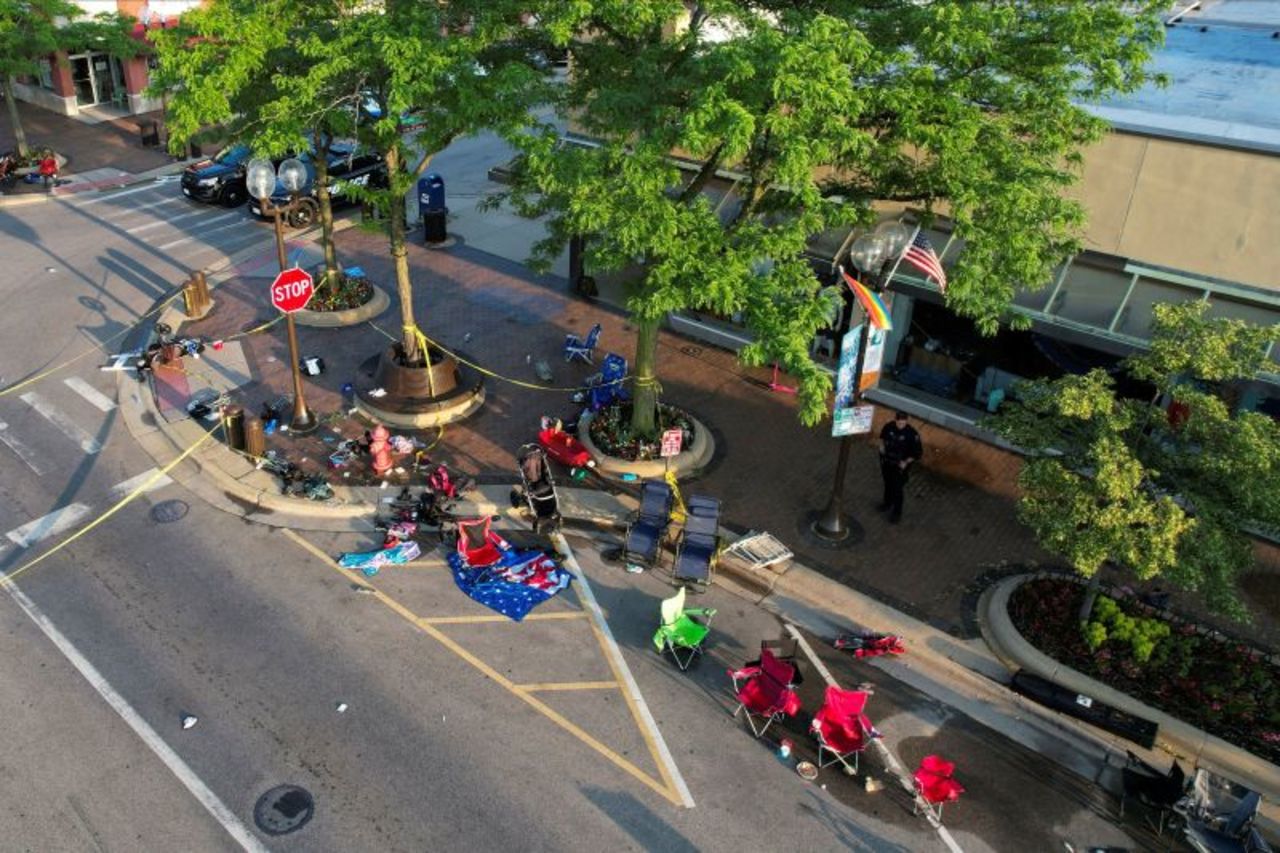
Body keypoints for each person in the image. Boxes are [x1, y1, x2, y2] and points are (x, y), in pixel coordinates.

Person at [878, 410, 922, 524]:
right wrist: (882, 447)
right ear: (895, 420)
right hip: (887, 461)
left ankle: (897, 513)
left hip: (900, 466)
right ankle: (887, 503)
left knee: (897, 489)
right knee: (887, 483)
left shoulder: (912, 434)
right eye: (899, 422)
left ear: (906, 421)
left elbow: (917, 453)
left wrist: (906, 462)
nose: (901, 425)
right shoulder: (889, 427)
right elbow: (882, 437)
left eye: (903, 423)